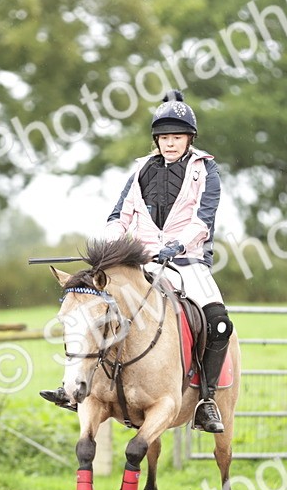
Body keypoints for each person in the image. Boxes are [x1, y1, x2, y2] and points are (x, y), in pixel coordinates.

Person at [40, 90, 233, 433]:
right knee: (90, 309)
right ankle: (75, 388)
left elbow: (204, 219)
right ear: (156, 140)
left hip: (188, 262)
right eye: (163, 138)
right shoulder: (141, 169)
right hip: (138, 263)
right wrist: (110, 246)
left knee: (219, 323)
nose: (169, 143)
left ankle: (205, 399)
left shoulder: (206, 169)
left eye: (176, 137)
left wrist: (176, 245)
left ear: (189, 138)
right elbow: (119, 215)